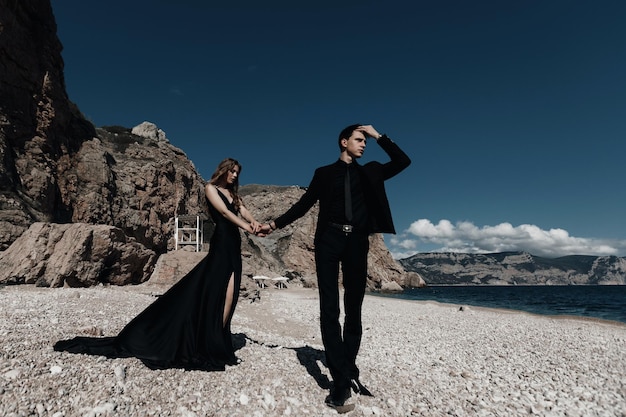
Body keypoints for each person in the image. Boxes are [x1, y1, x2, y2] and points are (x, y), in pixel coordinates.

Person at [54, 158, 262, 371]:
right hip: (222, 241)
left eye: (237, 172)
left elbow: (242, 211)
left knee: (231, 292)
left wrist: (254, 222)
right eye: (232, 171)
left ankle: (219, 338)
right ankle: (211, 342)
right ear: (223, 170)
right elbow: (226, 214)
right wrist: (247, 227)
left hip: (234, 242)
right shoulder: (211, 188)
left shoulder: (233, 194)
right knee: (214, 288)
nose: (235, 176)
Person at [260, 124, 411, 409]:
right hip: (328, 239)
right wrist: (273, 224)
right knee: (329, 308)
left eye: (366, 141)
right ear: (344, 142)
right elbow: (304, 204)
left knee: (353, 309)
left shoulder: (372, 171)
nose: (363, 145)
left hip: (357, 241)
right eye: (359, 139)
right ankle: (341, 381)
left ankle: (346, 368)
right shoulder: (323, 173)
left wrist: (379, 136)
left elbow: (403, 161)